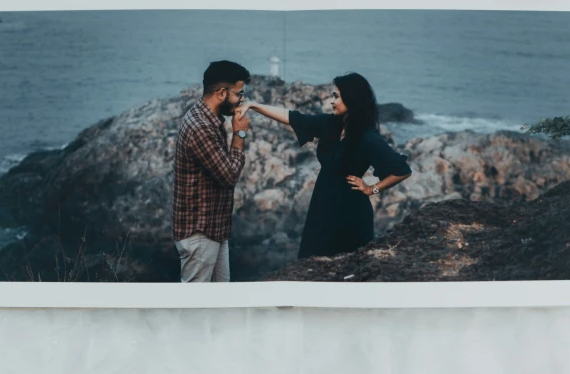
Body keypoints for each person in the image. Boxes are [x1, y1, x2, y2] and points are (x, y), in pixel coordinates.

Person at [235, 72, 412, 258]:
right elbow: (292, 117)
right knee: (313, 262)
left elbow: (402, 170)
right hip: (322, 206)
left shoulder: (368, 137)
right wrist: (253, 105)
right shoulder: (330, 124)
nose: (332, 101)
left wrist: (372, 189)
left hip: (351, 212)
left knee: (345, 268)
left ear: (351, 99)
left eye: (336, 96)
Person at [172, 60, 251, 282]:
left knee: (219, 304)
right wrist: (239, 135)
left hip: (214, 230)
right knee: (195, 307)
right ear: (221, 93)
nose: (241, 100)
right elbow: (228, 176)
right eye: (238, 94)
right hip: (200, 233)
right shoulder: (201, 128)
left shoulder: (209, 119)